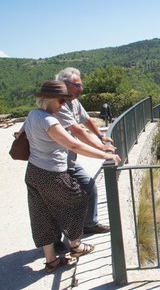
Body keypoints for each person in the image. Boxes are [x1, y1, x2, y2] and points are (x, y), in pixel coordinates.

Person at [23, 80, 121, 273]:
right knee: (77, 202)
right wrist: (105, 154)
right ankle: (76, 246)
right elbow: (74, 145)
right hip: (52, 173)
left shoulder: (33, 115)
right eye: (61, 100)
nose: (63, 105)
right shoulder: (49, 121)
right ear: (50, 100)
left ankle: (51, 261)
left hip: (33, 172)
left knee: (42, 214)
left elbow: (21, 134)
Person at [53, 67, 115, 253]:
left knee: (89, 185)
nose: (81, 88)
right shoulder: (59, 105)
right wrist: (102, 149)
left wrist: (101, 136)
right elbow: (78, 133)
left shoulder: (74, 102)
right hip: (54, 161)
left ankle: (89, 224)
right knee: (56, 200)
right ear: (65, 85)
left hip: (68, 160)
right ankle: (55, 241)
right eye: (78, 85)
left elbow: (86, 120)